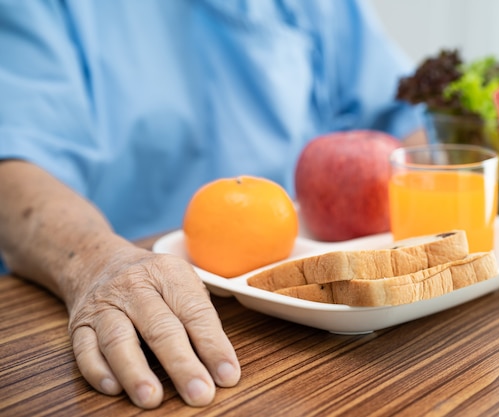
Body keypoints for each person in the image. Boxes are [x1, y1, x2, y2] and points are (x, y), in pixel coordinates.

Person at [0, 0, 425, 409]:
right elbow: (13, 165)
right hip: (134, 299)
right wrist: (95, 262)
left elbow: (406, 127)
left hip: (321, 322)